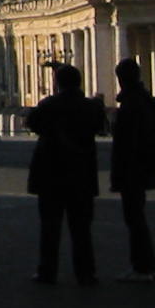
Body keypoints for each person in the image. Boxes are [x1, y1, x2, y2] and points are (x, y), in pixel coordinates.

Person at [26, 63, 106, 285]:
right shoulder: (92, 107)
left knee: (50, 228)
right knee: (81, 229)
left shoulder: (49, 105)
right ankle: (86, 272)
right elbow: (100, 126)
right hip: (81, 173)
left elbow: (32, 123)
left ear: (58, 83)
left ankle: (47, 271)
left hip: (52, 174)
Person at [109, 58, 155, 283]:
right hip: (145, 166)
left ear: (122, 79)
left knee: (135, 219)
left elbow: (126, 142)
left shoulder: (131, 105)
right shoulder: (148, 101)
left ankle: (143, 266)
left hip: (133, 169)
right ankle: (144, 264)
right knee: (136, 217)